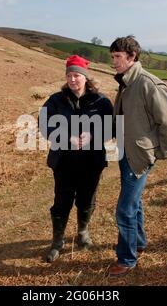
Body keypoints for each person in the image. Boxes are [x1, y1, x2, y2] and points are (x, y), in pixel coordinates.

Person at [108, 36, 167, 276]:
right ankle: (138, 244)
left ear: (132, 57)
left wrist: (161, 151)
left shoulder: (147, 83)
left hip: (139, 155)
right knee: (134, 202)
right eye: (113, 57)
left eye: (118, 57)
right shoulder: (126, 82)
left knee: (124, 209)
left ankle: (127, 258)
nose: (114, 62)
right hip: (126, 152)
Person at [40, 55, 114, 263]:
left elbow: (112, 127)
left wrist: (93, 135)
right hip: (63, 161)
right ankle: (57, 241)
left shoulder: (101, 101)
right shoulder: (56, 101)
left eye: (77, 75)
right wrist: (66, 137)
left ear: (85, 77)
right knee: (61, 201)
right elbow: (45, 125)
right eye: (69, 75)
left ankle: (83, 232)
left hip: (91, 162)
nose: (72, 80)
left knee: (86, 198)